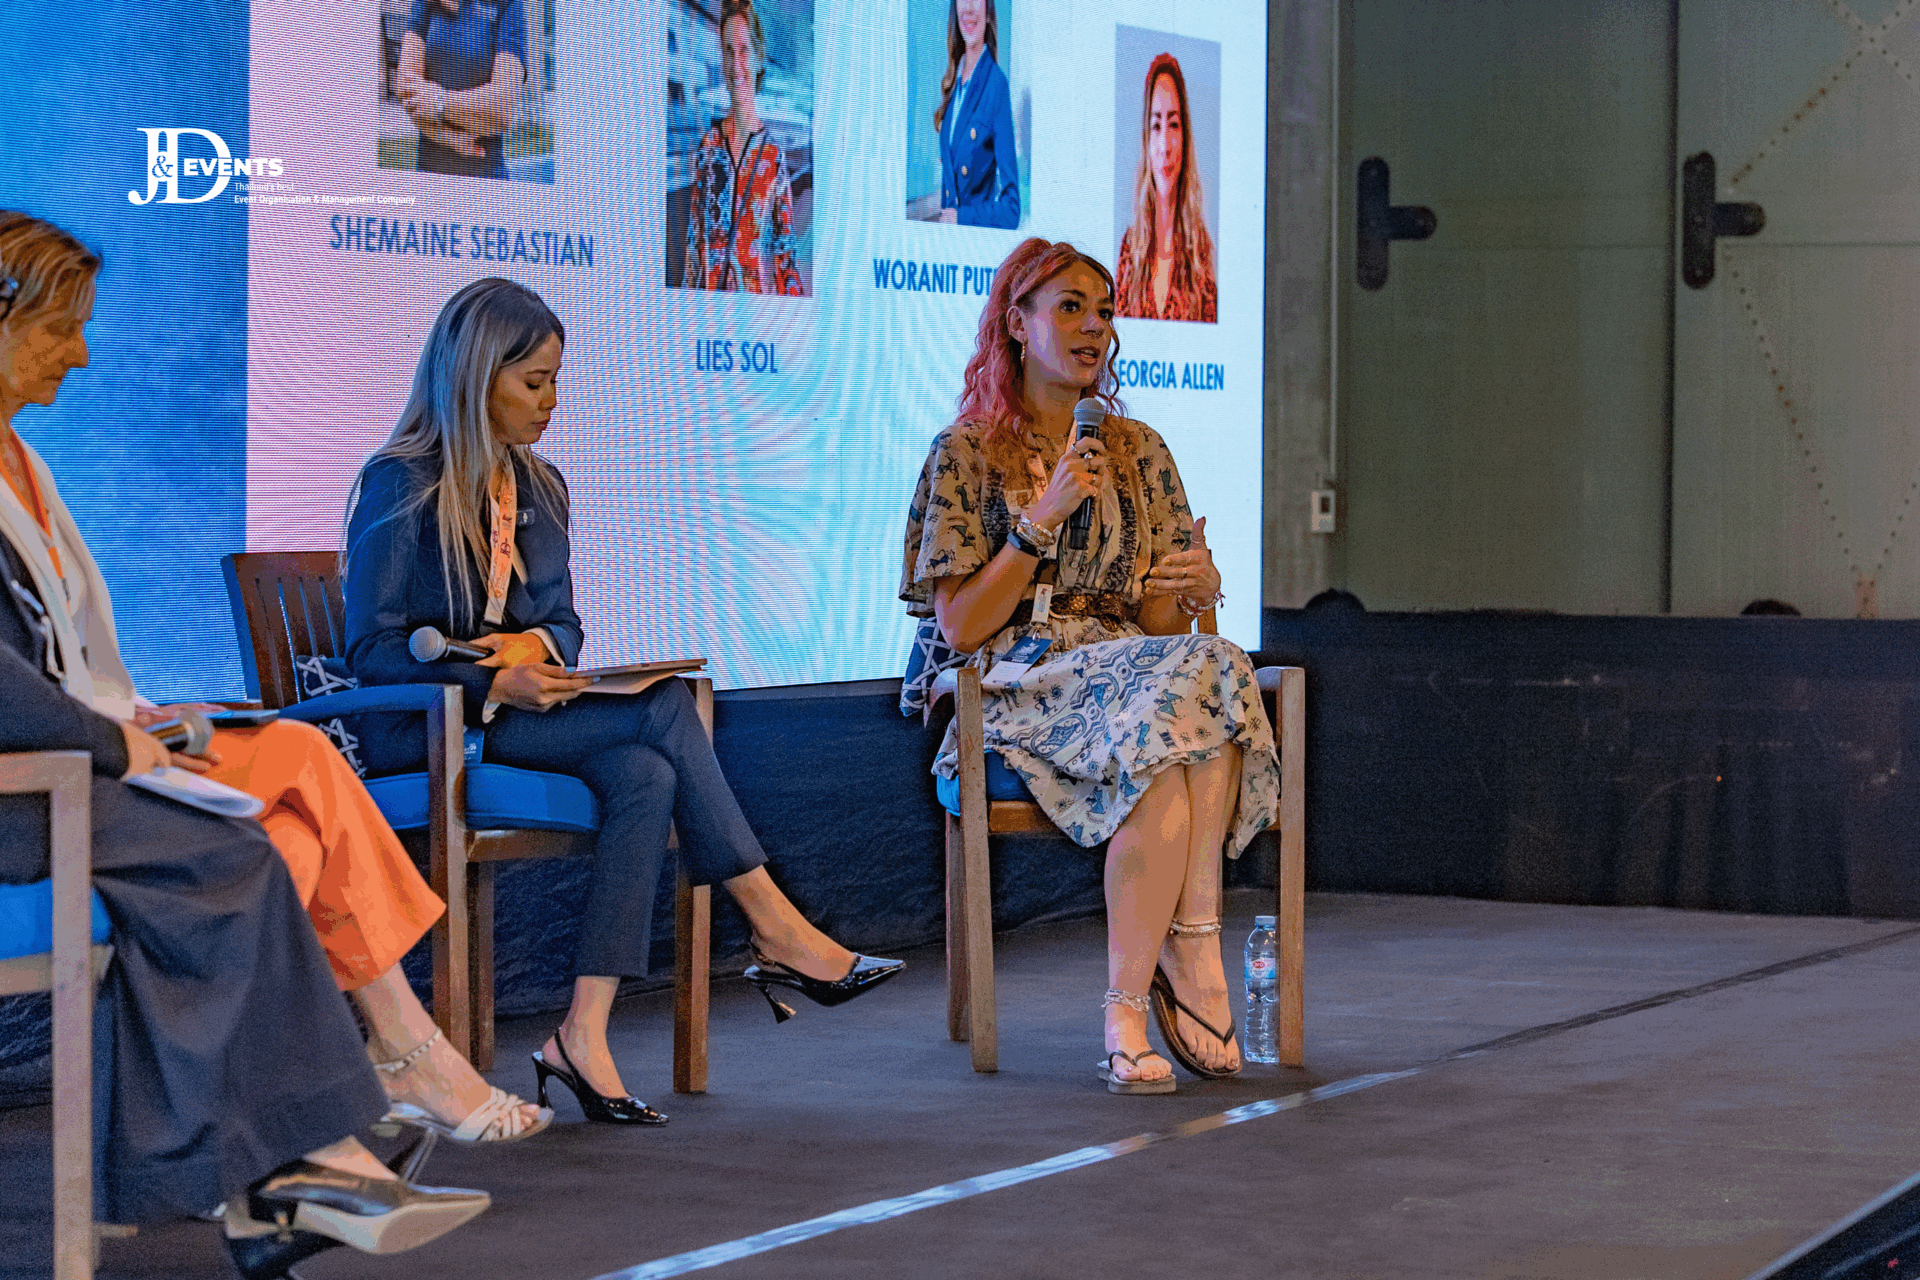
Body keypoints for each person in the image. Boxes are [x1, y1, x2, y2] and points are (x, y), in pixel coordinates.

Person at [0, 214, 489, 1273]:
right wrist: (113, 744)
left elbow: (43, 656)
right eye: (59, 329)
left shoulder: (20, 459)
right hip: (31, 790)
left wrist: (126, 722)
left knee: (278, 829)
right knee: (242, 849)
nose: (79, 354)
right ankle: (306, 1154)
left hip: (66, 761)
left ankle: (280, 1175)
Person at [343, 276, 900, 1124]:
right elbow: (371, 653)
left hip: (517, 720)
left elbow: (564, 624)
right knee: (667, 706)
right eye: (534, 382)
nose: (551, 401)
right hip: (428, 731)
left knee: (646, 772)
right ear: (475, 376)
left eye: (556, 381)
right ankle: (777, 928)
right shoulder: (401, 483)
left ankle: (582, 1034)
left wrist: (537, 649)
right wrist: (490, 679)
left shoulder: (539, 487)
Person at [901, 238, 1279, 1092]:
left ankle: (1131, 1007)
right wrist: (1040, 518)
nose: (1094, 328)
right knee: (1187, 717)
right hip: (1016, 682)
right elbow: (961, 625)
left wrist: (1191, 587)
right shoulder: (965, 451)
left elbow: (1156, 624)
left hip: (1130, 681)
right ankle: (1191, 959)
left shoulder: (1137, 448)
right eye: (1069, 308)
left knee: (1199, 686)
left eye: (1103, 312)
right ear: (1016, 323)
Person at [683, 0, 806, 294]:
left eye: (743, 50)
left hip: (753, 311)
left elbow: (785, 255)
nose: (735, 64)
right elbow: (694, 244)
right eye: (728, 51)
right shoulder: (708, 147)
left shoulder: (772, 156)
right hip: (709, 311)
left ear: (759, 58)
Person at [1114, 54, 1217, 323]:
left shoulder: (1202, 255)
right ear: (1146, 139)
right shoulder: (1130, 250)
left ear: (1185, 136)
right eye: (1156, 126)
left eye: (1173, 125)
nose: (1164, 146)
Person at [397, 0, 528, 181]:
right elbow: (406, 88)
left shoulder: (507, 4)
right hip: (428, 176)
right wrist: (447, 137)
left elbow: (503, 108)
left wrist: (438, 101)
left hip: (485, 179)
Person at [932, 0, 1020, 229]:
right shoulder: (953, 83)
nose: (969, 7)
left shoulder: (996, 85)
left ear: (989, 14)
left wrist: (961, 217)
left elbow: (1011, 210)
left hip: (972, 240)